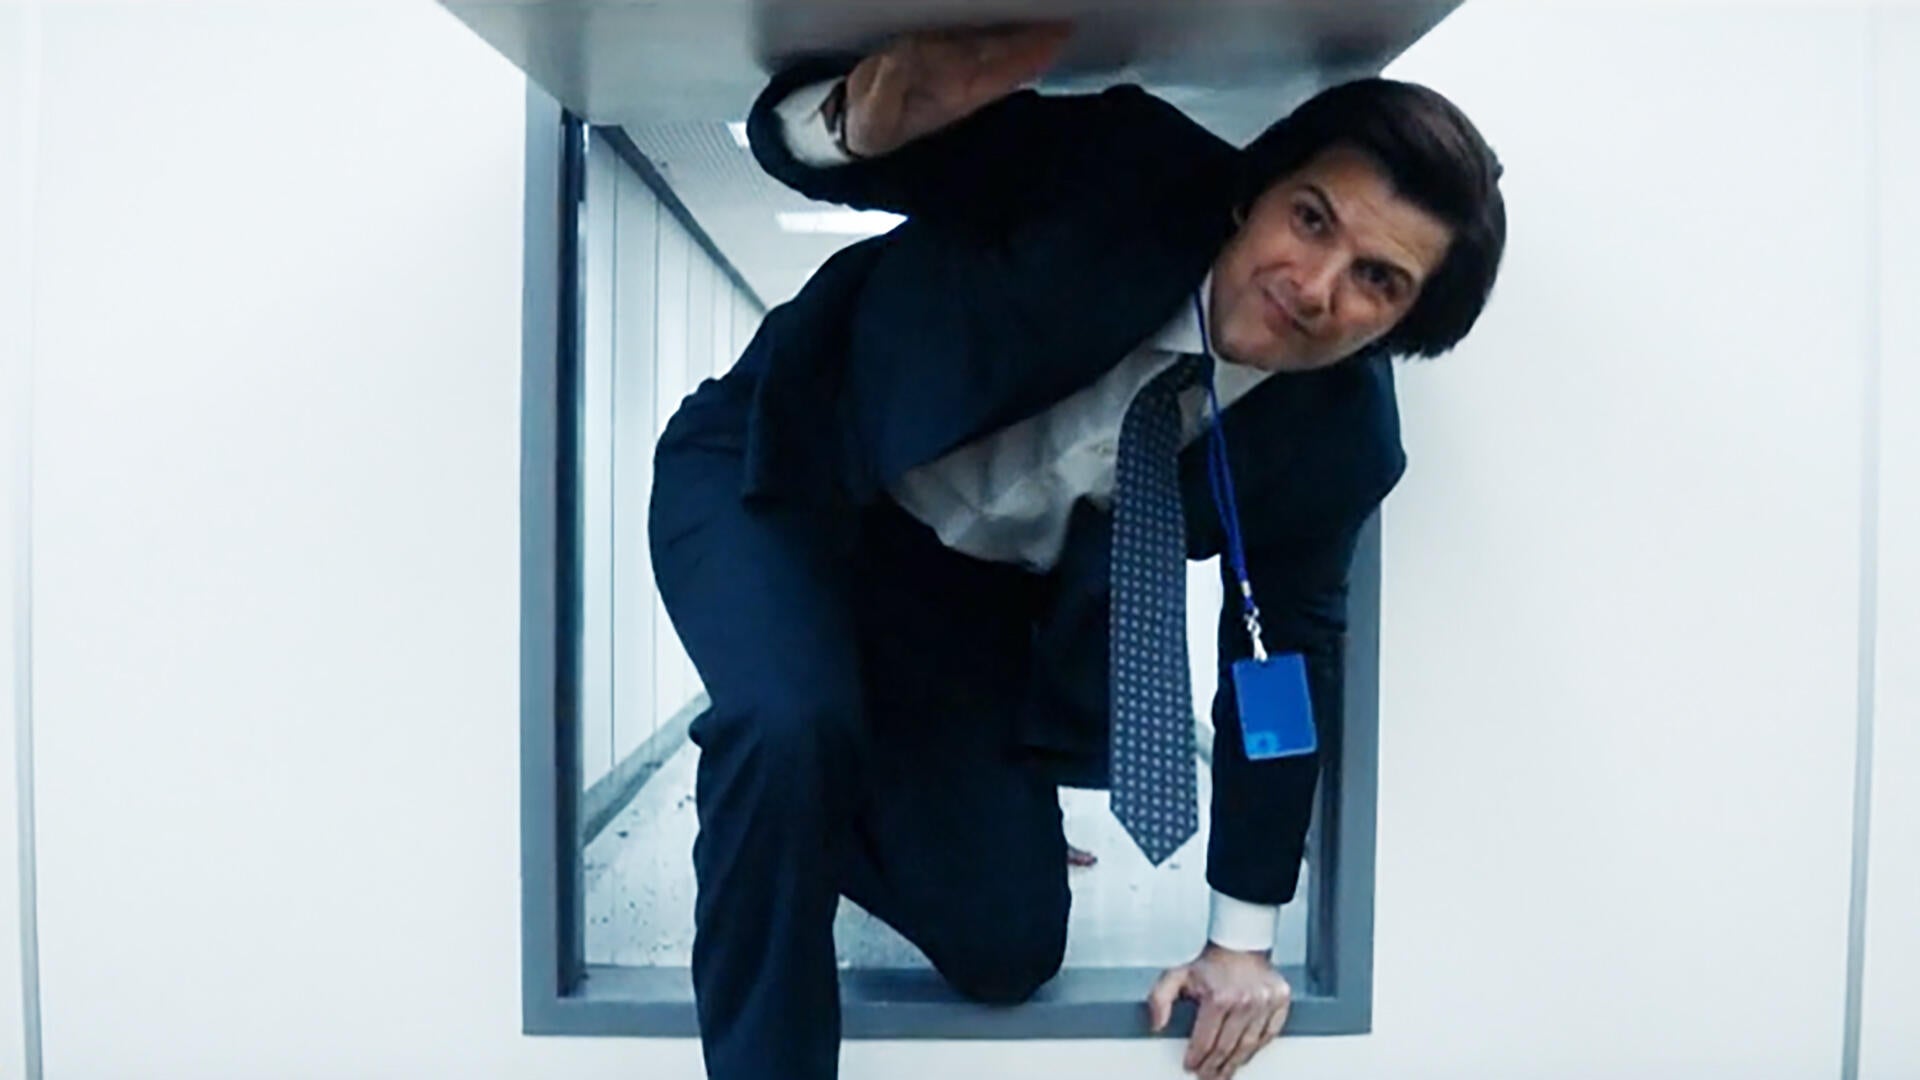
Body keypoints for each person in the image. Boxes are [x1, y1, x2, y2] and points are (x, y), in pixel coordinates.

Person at [649, 21, 1505, 1080]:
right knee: (788, 726)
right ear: (1258, 189)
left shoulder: (1337, 443)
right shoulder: (1120, 171)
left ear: (1403, 328)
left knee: (1005, 945)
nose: (1315, 284)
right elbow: (832, 154)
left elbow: (1282, 666)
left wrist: (1242, 938)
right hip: (778, 470)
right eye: (1311, 218)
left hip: (955, 596)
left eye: (1377, 279)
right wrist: (851, 125)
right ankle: (775, 778)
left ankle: (782, 787)